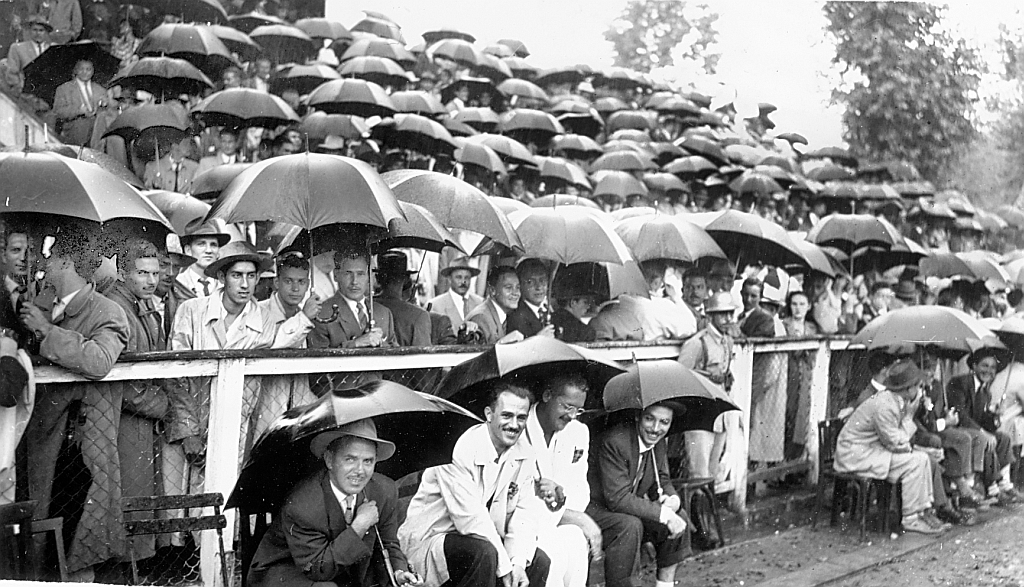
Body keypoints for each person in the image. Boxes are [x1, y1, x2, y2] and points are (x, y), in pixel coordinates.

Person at [169, 241, 322, 522]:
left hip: (236, 419)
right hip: (194, 415)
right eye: (237, 275)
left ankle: (223, 555)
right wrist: (187, 429)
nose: (244, 284)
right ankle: (189, 558)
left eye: (251, 276)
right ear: (222, 277)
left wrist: (304, 317)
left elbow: (280, 341)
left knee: (226, 490)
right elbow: (176, 376)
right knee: (186, 494)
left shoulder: (262, 317)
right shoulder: (191, 311)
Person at [19, 226, 130, 580]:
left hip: (82, 450)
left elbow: (98, 361)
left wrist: (47, 331)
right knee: (35, 540)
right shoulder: (39, 304)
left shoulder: (108, 311)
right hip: (39, 438)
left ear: (66, 261)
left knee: (77, 549)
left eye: (51, 258)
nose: (45, 264)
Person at [398, 383, 551, 587]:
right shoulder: (457, 448)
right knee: (484, 553)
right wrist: (506, 567)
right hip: (434, 540)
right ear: (489, 414)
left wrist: (518, 564)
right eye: (506, 415)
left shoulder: (524, 453)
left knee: (539, 560)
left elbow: (525, 515)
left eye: (521, 417)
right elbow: (470, 519)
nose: (514, 425)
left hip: (484, 543)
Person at [104, 239, 197, 565]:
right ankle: (127, 567)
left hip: (147, 421)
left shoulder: (145, 306)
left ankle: (145, 564)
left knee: (147, 496)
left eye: (155, 273)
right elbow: (122, 381)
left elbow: (164, 369)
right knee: (131, 495)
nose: (151, 280)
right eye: (143, 273)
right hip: (122, 420)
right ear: (124, 273)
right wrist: (164, 406)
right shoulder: (116, 308)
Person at [248, 418, 422, 587]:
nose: (360, 471)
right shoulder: (303, 505)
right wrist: (359, 525)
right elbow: (317, 570)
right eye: (350, 459)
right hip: (289, 571)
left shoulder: (384, 490)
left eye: (368, 461)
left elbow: (388, 543)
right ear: (329, 460)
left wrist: (398, 573)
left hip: (341, 571)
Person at [834, 360, 946, 535]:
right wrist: (909, 418)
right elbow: (895, 443)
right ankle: (911, 519)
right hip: (855, 454)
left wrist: (920, 450)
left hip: (871, 450)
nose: (920, 390)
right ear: (909, 389)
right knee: (916, 462)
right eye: (918, 386)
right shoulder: (885, 405)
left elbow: (897, 440)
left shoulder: (896, 401)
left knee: (923, 459)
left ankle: (923, 511)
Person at [586, 402, 691, 587]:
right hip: (596, 508)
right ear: (638, 416)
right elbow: (617, 499)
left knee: (679, 516)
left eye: (664, 422)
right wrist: (664, 515)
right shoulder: (616, 441)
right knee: (629, 525)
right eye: (650, 419)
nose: (656, 429)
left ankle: (664, 584)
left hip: (625, 507)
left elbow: (663, 479)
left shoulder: (658, 444)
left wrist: (672, 500)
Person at [522, 374, 602, 587]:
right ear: (548, 395)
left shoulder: (578, 431)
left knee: (575, 538)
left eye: (579, 410)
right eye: (567, 407)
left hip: (558, 519)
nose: (572, 416)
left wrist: (559, 494)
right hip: (525, 524)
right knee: (553, 551)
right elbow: (523, 500)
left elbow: (580, 493)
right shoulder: (518, 426)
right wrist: (576, 516)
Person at [252, 252, 319, 445]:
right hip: (264, 406)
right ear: (276, 282)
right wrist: (304, 319)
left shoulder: (306, 315)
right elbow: (275, 346)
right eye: (288, 281)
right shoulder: (260, 311)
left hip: (297, 408)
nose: (295, 288)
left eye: (301, 282)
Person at [947, 347, 1021, 505]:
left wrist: (996, 416)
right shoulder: (960, 383)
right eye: (984, 366)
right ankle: (988, 490)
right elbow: (961, 415)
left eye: (993, 367)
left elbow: (983, 420)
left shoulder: (985, 392)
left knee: (1003, 438)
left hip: (974, 431)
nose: (989, 371)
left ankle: (1004, 486)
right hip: (957, 430)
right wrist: (983, 432)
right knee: (984, 439)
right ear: (974, 366)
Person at [677, 292, 737, 481]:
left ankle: (708, 510)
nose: (728, 319)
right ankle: (697, 510)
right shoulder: (697, 342)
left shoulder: (727, 341)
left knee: (713, 468)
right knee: (698, 471)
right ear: (710, 315)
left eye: (730, 314)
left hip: (720, 412)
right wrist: (709, 376)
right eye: (722, 314)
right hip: (699, 413)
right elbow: (680, 375)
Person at [309, 250, 396, 349]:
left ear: (369, 276)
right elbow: (317, 360)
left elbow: (396, 354)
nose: (354, 281)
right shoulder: (322, 314)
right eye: (348, 273)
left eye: (360, 274)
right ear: (336, 275)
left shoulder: (384, 313)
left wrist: (380, 343)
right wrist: (355, 344)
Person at [783, 290, 819, 460]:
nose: (798, 309)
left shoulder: (812, 327)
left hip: (805, 373)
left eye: (802, 304)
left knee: (802, 414)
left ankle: (797, 460)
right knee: (787, 413)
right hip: (788, 373)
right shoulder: (784, 324)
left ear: (809, 306)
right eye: (794, 304)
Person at [374, 251, 431, 347]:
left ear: (377, 278)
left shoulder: (366, 307)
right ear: (406, 279)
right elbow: (423, 357)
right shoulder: (418, 315)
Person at [53, 59, 109, 146]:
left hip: (96, 134)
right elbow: (58, 112)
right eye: (81, 69)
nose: (85, 72)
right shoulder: (64, 89)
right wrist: (78, 110)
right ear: (75, 70)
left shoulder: (100, 90)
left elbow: (109, 112)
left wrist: (104, 105)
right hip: (75, 134)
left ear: (93, 71)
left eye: (88, 69)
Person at [465, 265, 526, 345]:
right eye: (508, 288)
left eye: (517, 287)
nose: (515, 293)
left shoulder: (502, 314)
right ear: (492, 290)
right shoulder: (481, 318)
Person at [175, 223, 231, 302]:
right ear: (188, 250)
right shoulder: (178, 284)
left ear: (218, 251)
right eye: (201, 244)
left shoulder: (226, 284)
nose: (209, 250)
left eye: (213, 245)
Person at [427, 256, 483, 332]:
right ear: (449, 279)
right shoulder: (435, 305)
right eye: (459, 277)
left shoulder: (480, 303)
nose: (463, 282)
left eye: (467, 278)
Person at [506, 258, 556, 339]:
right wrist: (538, 339)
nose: (539, 287)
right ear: (520, 285)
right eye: (530, 282)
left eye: (542, 280)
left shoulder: (548, 310)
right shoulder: (516, 317)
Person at [5, 15, 51, 95]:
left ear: (46, 32)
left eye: (41, 30)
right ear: (29, 31)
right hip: (25, 94)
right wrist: (21, 91)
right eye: (35, 30)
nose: (38, 33)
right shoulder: (18, 48)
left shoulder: (52, 49)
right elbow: (11, 74)